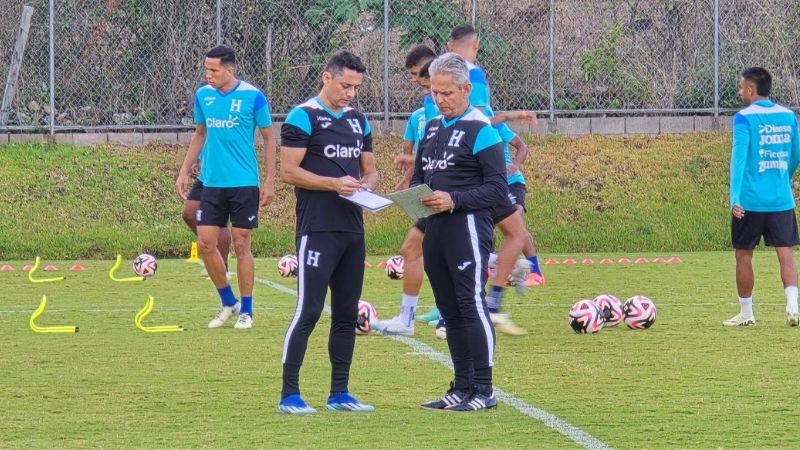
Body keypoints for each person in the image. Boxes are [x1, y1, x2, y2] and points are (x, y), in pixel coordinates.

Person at [279, 51, 378, 415]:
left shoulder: (358, 120)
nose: (350, 93)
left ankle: (340, 393)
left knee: (346, 313)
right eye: (345, 85)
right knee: (309, 309)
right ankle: (289, 394)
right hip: (317, 229)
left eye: (356, 87)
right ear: (326, 78)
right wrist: (333, 184)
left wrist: (367, 185)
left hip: (352, 228)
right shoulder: (303, 116)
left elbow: (370, 169)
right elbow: (289, 172)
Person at [413, 52, 506, 411]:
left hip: (467, 226)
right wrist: (416, 195)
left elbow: (498, 189)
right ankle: (461, 384)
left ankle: (485, 388)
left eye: (446, 93)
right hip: (435, 227)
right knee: (448, 308)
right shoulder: (432, 126)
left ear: (466, 88)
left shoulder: (481, 129)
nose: (439, 100)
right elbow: (422, 174)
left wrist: (454, 199)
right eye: (434, 93)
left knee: (470, 303)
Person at [175, 45, 276, 330]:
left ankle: (247, 310)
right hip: (212, 184)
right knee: (205, 244)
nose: (209, 74)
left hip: (244, 183)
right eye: (206, 69)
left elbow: (269, 139)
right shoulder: (203, 95)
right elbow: (200, 133)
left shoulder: (253, 97)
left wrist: (269, 181)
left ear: (229, 70)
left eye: (214, 70)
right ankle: (227, 302)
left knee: (242, 243)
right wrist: (184, 170)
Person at [724, 67, 800, 327]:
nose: (738, 91)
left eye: (740, 87)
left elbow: (739, 159)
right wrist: (783, 178)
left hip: (750, 201)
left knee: (743, 255)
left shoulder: (743, 118)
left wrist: (735, 197)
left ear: (750, 90)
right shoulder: (789, 116)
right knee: (785, 253)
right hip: (781, 199)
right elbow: (796, 156)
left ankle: (746, 314)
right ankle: (793, 305)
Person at [181, 160, 232, 277]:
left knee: (220, 223)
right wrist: (198, 161)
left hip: (222, 176)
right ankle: (212, 250)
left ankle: (223, 269)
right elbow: (203, 142)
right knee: (189, 213)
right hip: (205, 176)